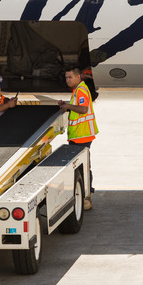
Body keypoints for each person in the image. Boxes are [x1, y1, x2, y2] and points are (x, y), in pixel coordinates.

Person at [58, 66, 98, 210]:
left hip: (82, 135)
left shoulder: (81, 90)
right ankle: (86, 196)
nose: (67, 80)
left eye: (70, 77)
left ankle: (87, 197)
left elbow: (83, 109)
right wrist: (67, 106)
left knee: (84, 167)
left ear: (78, 77)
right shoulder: (77, 90)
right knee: (82, 166)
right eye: (66, 77)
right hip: (78, 135)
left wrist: (68, 106)